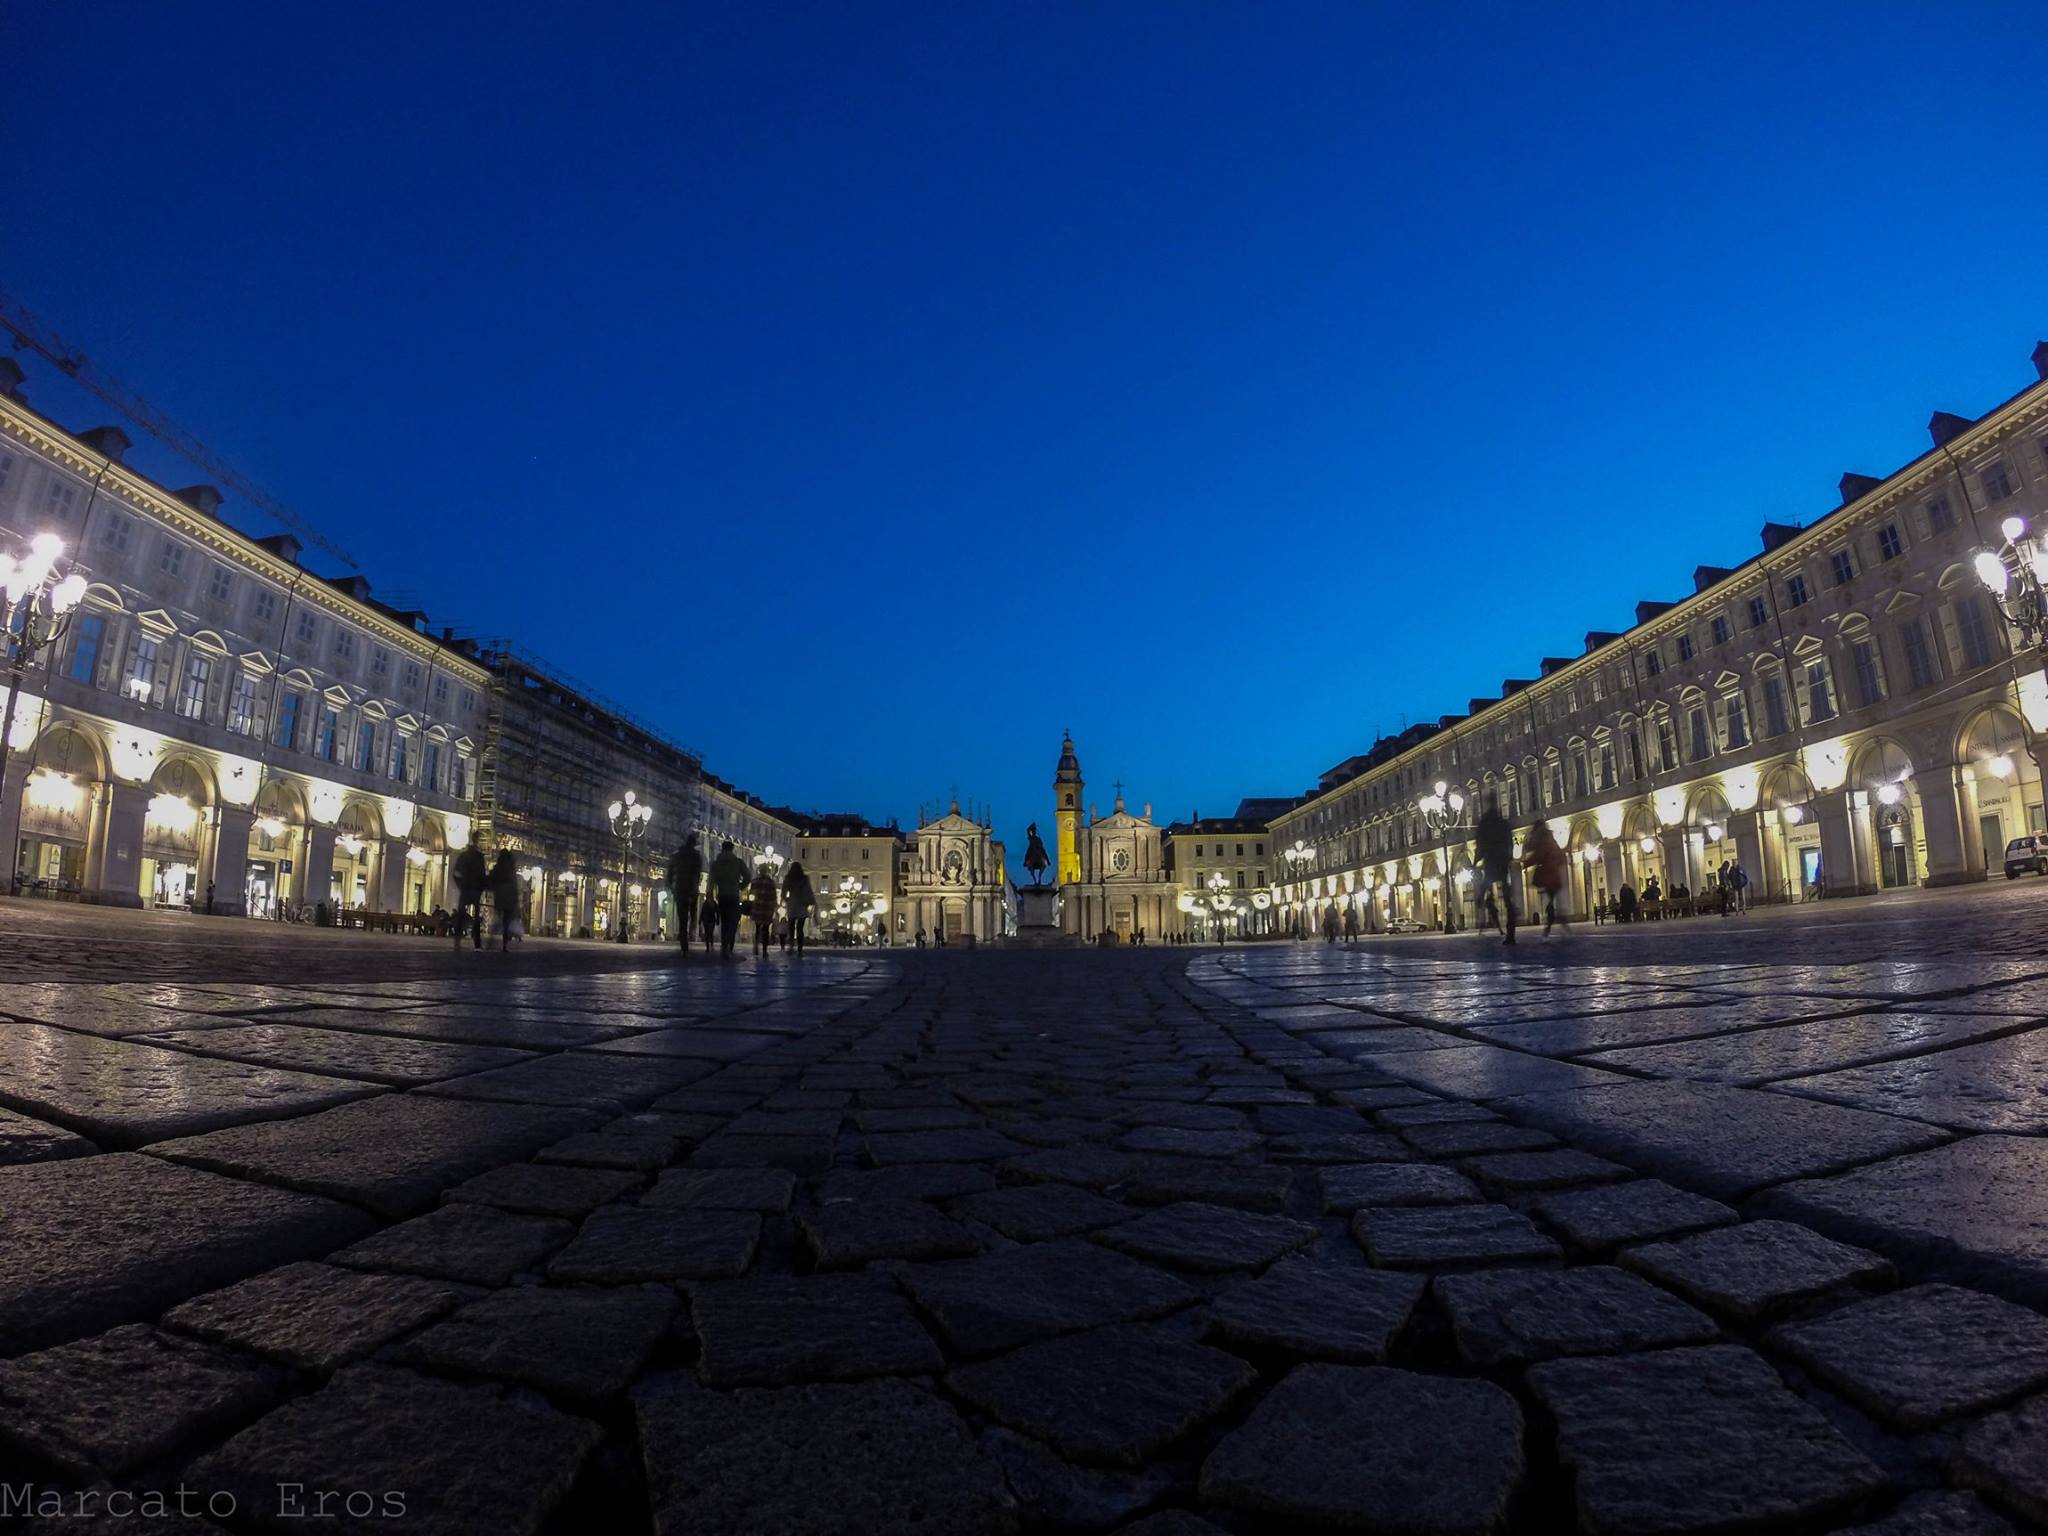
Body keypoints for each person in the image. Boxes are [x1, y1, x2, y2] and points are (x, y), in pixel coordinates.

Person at [1474, 795, 1517, 947]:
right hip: (1502, 862)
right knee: (1507, 899)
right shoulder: (1502, 823)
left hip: (1491, 863)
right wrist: (1509, 857)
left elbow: (1480, 844)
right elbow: (1510, 841)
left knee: (1485, 886)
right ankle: (1511, 933)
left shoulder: (1485, 823)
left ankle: (1480, 900)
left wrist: (1475, 861)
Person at [1521, 819, 1569, 937]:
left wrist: (1526, 863)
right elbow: (1559, 855)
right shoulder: (1550, 838)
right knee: (1552, 899)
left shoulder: (1542, 838)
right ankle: (1556, 922)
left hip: (1548, 875)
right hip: (1554, 874)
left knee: (1551, 900)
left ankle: (1552, 924)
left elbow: (1539, 854)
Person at [708, 840, 749, 961]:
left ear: (722, 849)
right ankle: (728, 947)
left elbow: (711, 881)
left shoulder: (716, 864)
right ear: (732, 849)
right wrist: (740, 886)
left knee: (724, 922)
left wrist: (710, 894)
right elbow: (748, 876)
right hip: (733, 895)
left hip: (722, 895)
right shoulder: (737, 862)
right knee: (733, 922)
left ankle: (724, 946)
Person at [667, 834, 703, 957]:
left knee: (682, 918)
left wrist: (671, 886)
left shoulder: (676, 855)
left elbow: (670, 873)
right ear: (693, 844)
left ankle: (684, 945)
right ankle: (692, 932)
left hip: (679, 889)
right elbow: (697, 874)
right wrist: (696, 887)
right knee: (692, 915)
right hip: (691, 889)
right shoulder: (696, 856)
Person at [451, 840, 487, 949]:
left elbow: (455, 873)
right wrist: (480, 888)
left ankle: (458, 941)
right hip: (473, 890)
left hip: (467, 889)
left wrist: (460, 884)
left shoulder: (463, 856)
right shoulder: (479, 858)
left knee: (461, 916)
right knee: (474, 918)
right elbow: (483, 875)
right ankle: (477, 943)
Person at [488, 850, 522, 950]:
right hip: (509, 899)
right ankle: (504, 945)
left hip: (499, 897)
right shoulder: (511, 869)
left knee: (499, 919)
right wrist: (516, 899)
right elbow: (514, 885)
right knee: (506, 923)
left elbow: (491, 880)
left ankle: (491, 939)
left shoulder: (497, 868)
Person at [782, 861, 816, 957]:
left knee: (791, 927)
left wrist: (786, 899)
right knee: (800, 929)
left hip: (792, 904)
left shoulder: (788, 878)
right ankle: (800, 950)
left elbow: (783, 891)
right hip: (802, 904)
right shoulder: (804, 879)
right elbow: (809, 890)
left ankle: (791, 946)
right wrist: (811, 900)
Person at [747, 863, 778, 957]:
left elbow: (751, 894)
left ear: (759, 871)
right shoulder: (771, 882)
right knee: (765, 930)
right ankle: (764, 950)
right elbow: (774, 896)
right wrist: (774, 906)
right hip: (767, 908)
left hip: (757, 907)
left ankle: (756, 946)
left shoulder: (755, 881)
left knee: (757, 928)